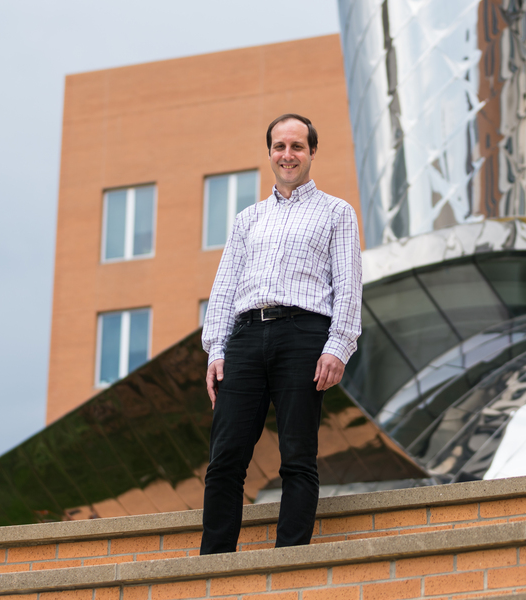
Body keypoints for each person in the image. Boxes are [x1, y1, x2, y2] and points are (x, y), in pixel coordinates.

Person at [199, 113, 362, 554]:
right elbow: (225, 288)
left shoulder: (336, 212)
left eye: (297, 147)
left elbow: (349, 286)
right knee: (225, 458)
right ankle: (211, 563)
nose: (287, 155)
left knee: (297, 457)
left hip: (304, 335)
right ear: (270, 152)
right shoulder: (247, 219)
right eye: (279, 147)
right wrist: (216, 350)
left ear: (311, 152)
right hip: (247, 337)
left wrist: (338, 347)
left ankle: (288, 560)